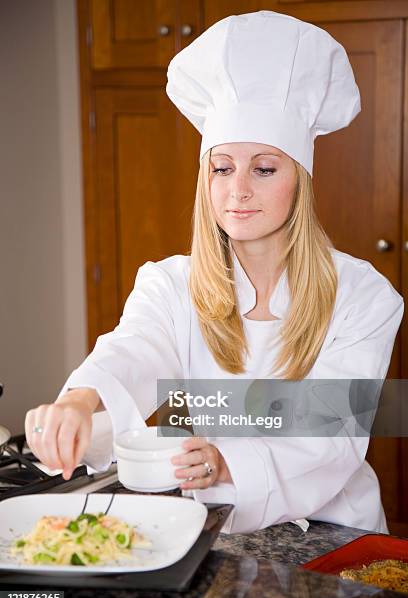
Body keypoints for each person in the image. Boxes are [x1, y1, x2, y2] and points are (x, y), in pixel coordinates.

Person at [25, 11, 404, 534]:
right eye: (222, 167)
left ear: (302, 179)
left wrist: (227, 463)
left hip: (334, 533)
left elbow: (332, 439)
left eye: (264, 168)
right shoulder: (169, 283)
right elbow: (131, 348)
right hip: (214, 527)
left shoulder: (364, 295)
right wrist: (78, 399)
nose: (238, 190)